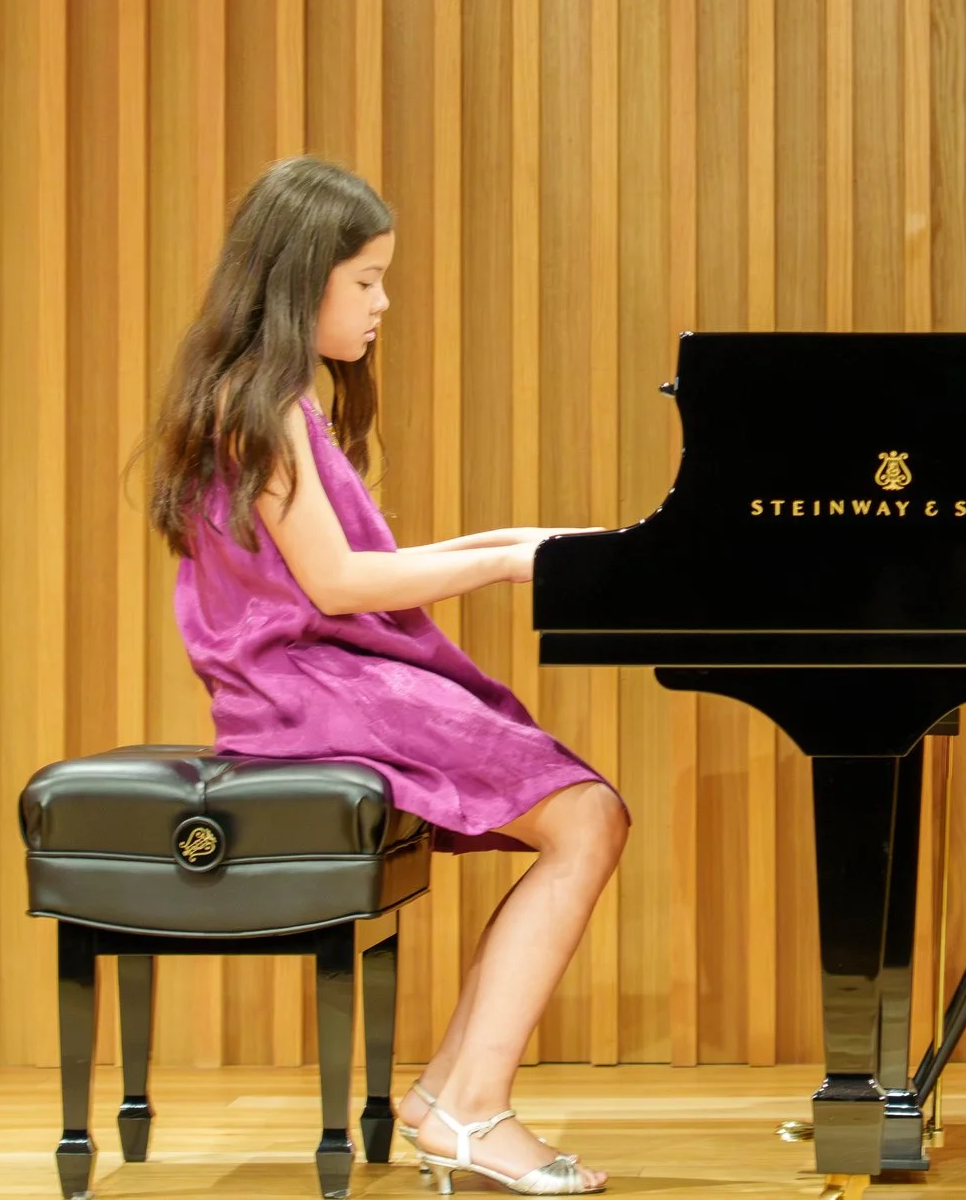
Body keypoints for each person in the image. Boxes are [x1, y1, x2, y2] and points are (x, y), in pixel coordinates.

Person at [146, 155, 625, 1196]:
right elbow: (340, 579)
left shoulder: (257, 400)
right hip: (307, 691)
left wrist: (534, 537)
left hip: (307, 681)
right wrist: (508, 557)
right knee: (586, 814)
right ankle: (469, 1103)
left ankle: (452, 1092)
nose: (381, 301)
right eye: (364, 278)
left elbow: (345, 571)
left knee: (586, 810)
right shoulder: (262, 409)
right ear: (298, 276)